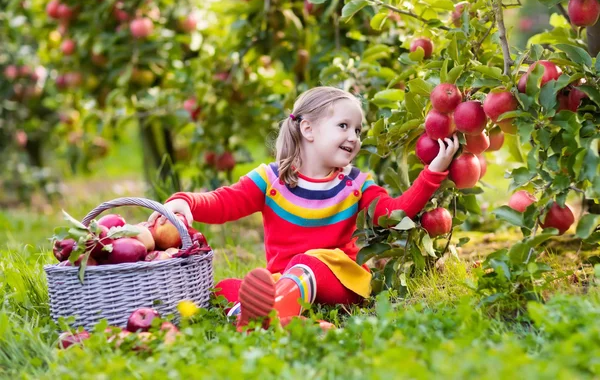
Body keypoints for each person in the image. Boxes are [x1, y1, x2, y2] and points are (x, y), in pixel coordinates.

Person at [148, 86, 459, 329]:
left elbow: (394, 213)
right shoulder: (270, 180)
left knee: (306, 263)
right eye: (343, 126)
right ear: (308, 130)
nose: (353, 137)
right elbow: (222, 202)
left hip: (338, 280)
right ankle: (276, 316)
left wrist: (432, 173)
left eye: (358, 130)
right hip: (285, 280)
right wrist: (184, 201)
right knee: (223, 288)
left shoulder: (356, 184)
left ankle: (262, 317)